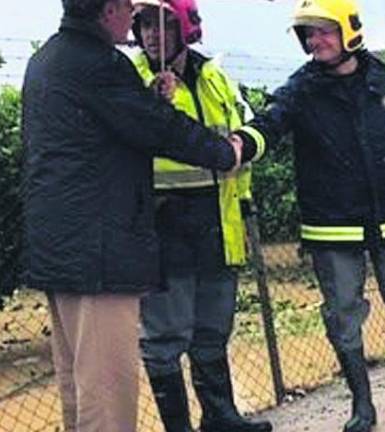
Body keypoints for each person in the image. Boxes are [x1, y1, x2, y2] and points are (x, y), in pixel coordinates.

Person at [21, 0, 242, 430]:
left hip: (62, 248)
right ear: (110, 10)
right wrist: (224, 152)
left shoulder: (50, 58)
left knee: (79, 386)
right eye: (131, 11)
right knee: (108, 393)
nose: (137, 23)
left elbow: (106, 128)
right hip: (98, 254)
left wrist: (146, 99)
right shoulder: (100, 64)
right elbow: (158, 128)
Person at [231, 0, 385, 431]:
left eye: (323, 31)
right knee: (342, 316)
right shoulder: (300, 90)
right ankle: (362, 405)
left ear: (349, 31)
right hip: (332, 224)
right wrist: (238, 145)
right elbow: (269, 125)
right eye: (308, 34)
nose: (315, 41)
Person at [129, 1, 271, 431]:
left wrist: (243, 202)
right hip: (161, 226)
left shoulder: (216, 78)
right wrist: (152, 104)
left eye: (163, 25)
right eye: (143, 26)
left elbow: (246, 140)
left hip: (216, 223)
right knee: (165, 337)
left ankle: (220, 416)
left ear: (186, 27)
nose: (151, 34)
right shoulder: (130, 79)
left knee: (213, 327)